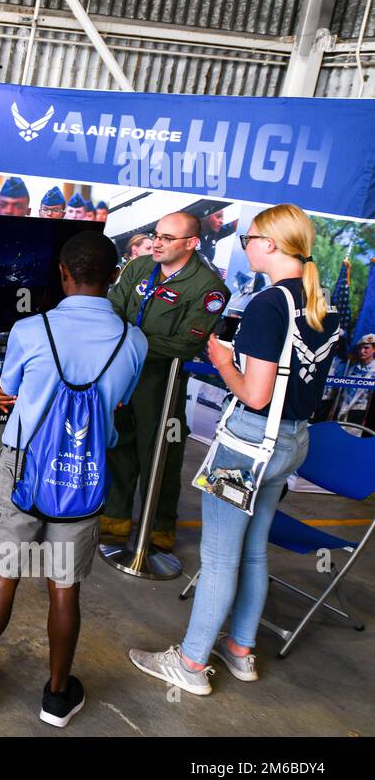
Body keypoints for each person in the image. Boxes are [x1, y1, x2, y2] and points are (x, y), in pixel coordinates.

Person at [0, 232, 148, 727]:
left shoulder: (31, 329)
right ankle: (57, 696)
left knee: (3, 575)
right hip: (83, 476)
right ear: (113, 278)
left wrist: (19, 398)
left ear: (63, 273)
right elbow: (120, 402)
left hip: (24, 468)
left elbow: (8, 389)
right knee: (65, 587)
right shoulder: (135, 340)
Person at [129, 204, 341, 695]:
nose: (245, 245)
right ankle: (240, 649)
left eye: (250, 237)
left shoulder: (269, 305)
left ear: (270, 243)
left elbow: (256, 393)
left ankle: (191, 661)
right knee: (252, 553)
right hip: (291, 441)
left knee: (221, 556)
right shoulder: (318, 301)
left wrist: (222, 359)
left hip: (249, 443)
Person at [101, 211, 230, 553]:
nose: (157, 243)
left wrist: (128, 341)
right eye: (155, 235)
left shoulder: (209, 288)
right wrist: (123, 341)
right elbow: (112, 309)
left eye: (167, 238)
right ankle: (115, 519)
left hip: (163, 383)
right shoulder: (138, 268)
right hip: (122, 376)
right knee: (120, 445)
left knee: (160, 455)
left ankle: (159, 528)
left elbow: (188, 343)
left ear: (191, 243)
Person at [336, 333, 375, 423]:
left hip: (364, 412)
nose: (362, 351)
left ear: (374, 349)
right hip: (344, 410)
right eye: (360, 348)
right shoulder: (351, 369)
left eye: (366, 348)